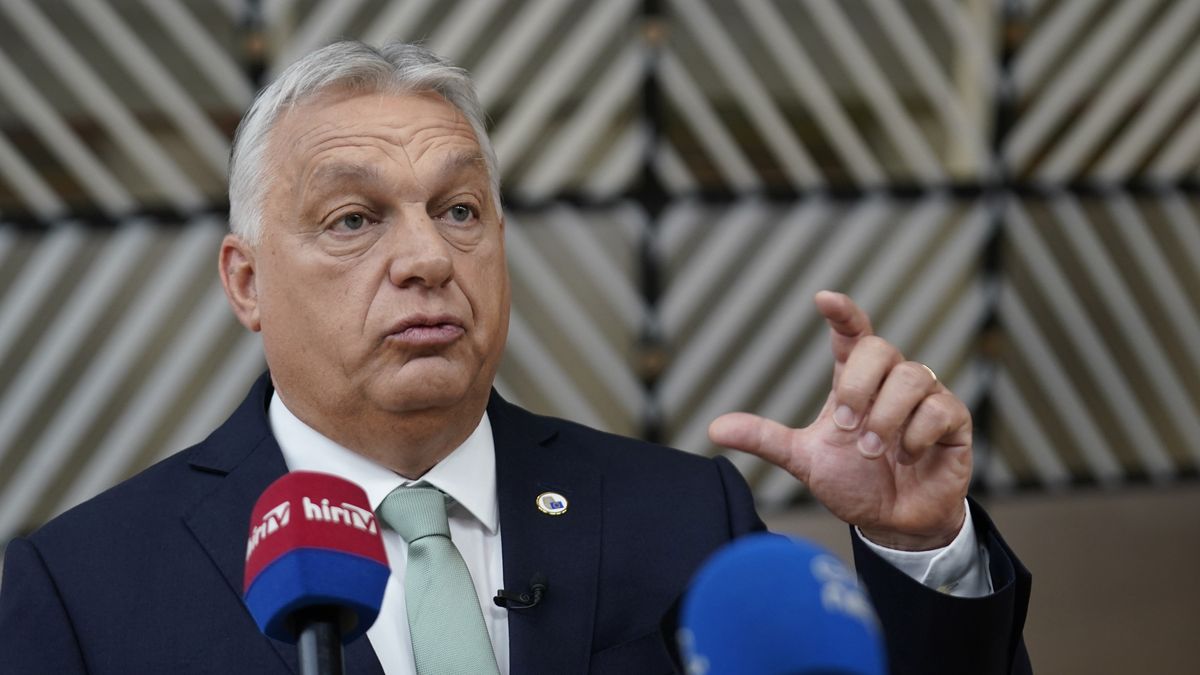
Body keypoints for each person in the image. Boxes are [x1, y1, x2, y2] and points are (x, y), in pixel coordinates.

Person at [0, 41, 1030, 674]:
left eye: (460, 210)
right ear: (246, 282)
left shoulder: (685, 520)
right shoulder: (83, 590)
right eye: (355, 219)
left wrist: (918, 546)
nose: (426, 259)